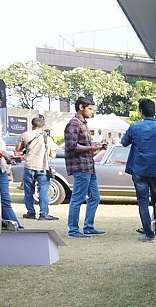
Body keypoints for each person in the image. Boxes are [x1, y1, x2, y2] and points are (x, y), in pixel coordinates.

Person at [121, 98, 156, 242]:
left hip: (139, 170)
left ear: (141, 112)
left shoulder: (134, 127)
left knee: (142, 202)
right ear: (154, 112)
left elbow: (124, 142)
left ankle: (149, 234)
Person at [64, 96, 106, 238]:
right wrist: (92, 147)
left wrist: (96, 147)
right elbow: (71, 146)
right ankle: (73, 230)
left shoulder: (82, 123)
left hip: (89, 166)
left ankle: (88, 227)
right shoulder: (74, 123)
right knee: (78, 198)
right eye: (89, 108)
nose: (91, 111)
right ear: (81, 107)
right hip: (80, 166)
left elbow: (83, 145)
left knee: (95, 197)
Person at [0, 86, 23, 229]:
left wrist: (7, 156)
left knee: (5, 201)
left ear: (1, 103)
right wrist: (1, 153)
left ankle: (17, 230)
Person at [15, 116, 58, 221]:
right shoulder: (47, 138)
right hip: (43, 167)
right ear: (43, 126)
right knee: (43, 191)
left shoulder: (25, 135)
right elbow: (53, 155)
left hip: (29, 166)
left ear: (32, 125)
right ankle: (43, 213)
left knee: (28, 191)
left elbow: (18, 149)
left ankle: (31, 212)